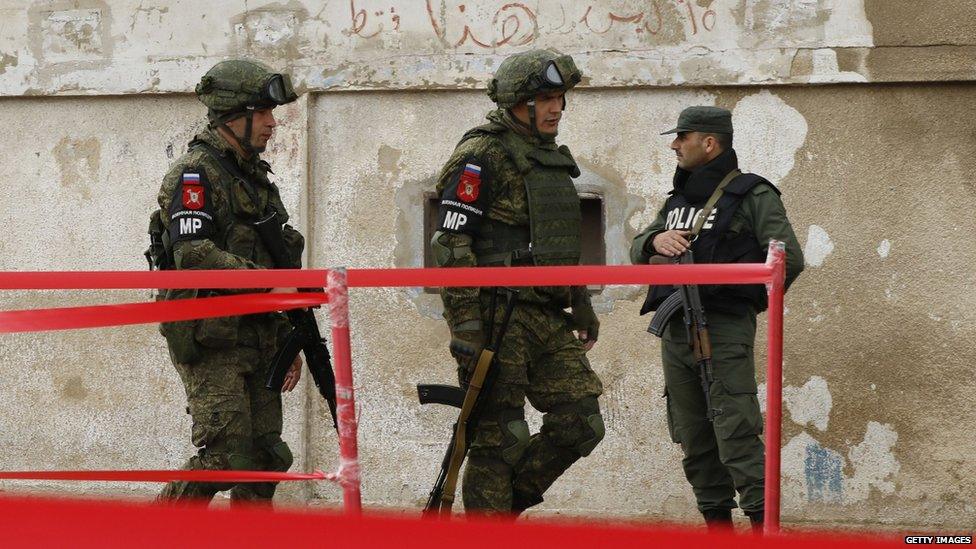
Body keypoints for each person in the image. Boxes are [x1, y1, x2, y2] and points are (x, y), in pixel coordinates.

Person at [429, 49, 605, 515]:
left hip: (545, 313)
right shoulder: (481, 153)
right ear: (518, 102)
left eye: (560, 98)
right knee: (499, 438)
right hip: (496, 312)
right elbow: (451, 245)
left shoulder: (547, 157)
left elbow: (558, 240)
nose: (556, 108)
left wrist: (580, 299)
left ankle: (501, 512)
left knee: (582, 420)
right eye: (545, 98)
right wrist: (465, 327)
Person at [630, 106, 804, 531]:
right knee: (694, 435)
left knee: (735, 429)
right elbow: (637, 249)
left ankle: (765, 527)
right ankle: (717, 529)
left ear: (709, 143)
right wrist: (656, 238)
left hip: (722, 328)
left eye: (682, 137)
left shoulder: (753, 194)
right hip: (676, 331)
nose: (674, 145)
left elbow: (789, 260)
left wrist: (741, 298)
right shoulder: (677, 201)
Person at [151, 59, 306, 504]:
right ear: (234, 115)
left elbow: (278, 265)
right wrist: (269, 286)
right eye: (264, 113)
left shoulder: (256, 180)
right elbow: (193, 254)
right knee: (225, 458)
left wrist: (285, 340)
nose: (272, 124)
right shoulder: (195, 174)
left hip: (258, 333)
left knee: (266, 457)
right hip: (210, 334)